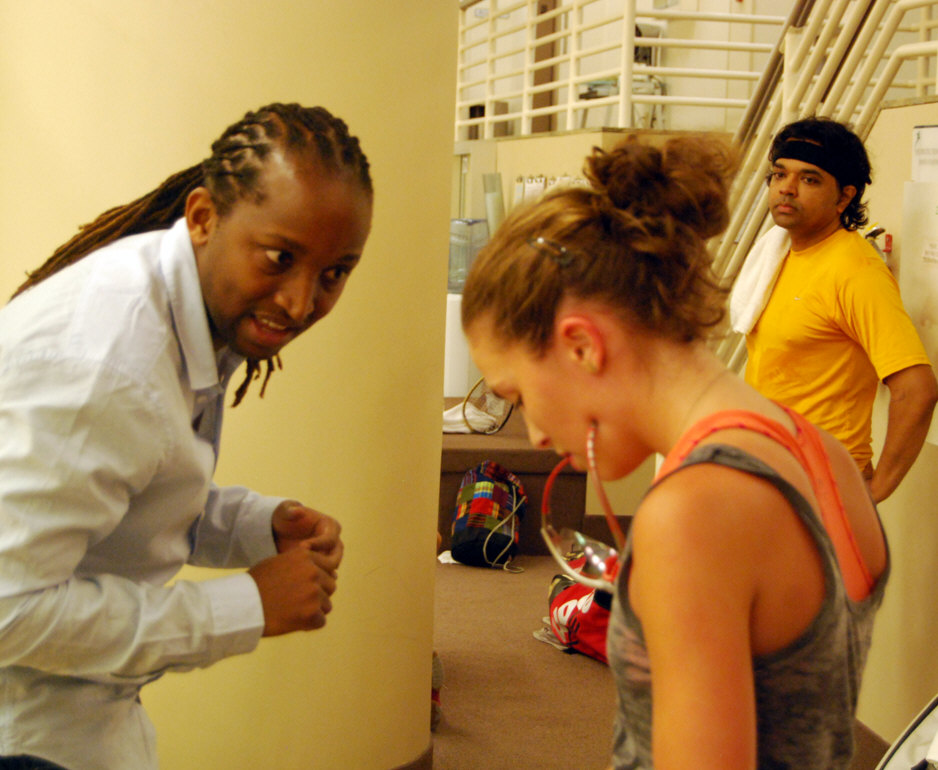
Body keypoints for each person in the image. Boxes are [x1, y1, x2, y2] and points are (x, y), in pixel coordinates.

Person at [461, 135, 889, 769]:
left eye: (518, 395)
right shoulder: (819, 451)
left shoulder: (693, 512)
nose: (536, 436)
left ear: (582, 346)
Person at [0, 103, 373, 770]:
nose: (300, 302)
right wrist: (246, 605)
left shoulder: (181, 308)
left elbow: (129, 492)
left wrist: (257, 525)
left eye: (334, 273)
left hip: (80, 716)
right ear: (203, 218)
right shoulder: (108, 365)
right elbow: (9, 611)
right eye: (280, 257)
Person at [732, 116, 937, 502]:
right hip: (771, 472)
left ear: (844, 197)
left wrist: (875, 490)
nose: (787, 188)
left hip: (823, 482)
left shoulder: (855, 271)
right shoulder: (778, 255)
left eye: (809, 179)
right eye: (779, 174)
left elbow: (917, 390)